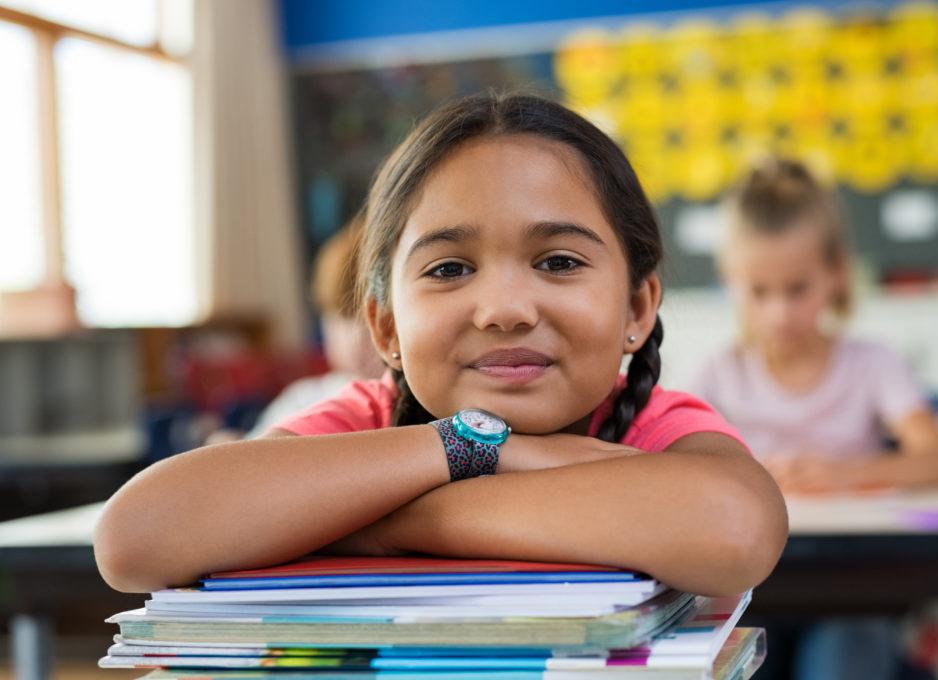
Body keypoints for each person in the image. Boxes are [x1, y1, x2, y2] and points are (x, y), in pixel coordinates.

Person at [94, 92, 788, 598]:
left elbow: (734, 528)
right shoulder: (363, 419)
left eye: (558, 262)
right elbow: (134, 539)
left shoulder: (653, 427)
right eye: (449, 269)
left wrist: (374, 520)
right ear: (387, 328)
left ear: (637, 306)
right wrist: (470, 446)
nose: (506, 310)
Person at [692, 156, 938, 680]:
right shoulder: (717, 375)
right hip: (750, 591)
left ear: (836, 274)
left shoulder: (872, 365)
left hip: (854, 591)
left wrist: (845, 474)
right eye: (759, 291)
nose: (779, 313)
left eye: (797, 289)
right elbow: (667, 470)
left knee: (840, 662)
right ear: (731, 282)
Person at [205, 214, 383, 445]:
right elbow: (248, 452)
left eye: (370, 320)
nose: (355, 340)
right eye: (341, 317)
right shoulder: (306, 398)